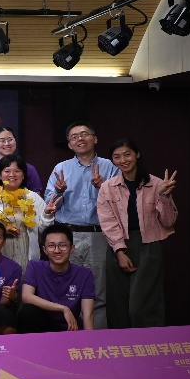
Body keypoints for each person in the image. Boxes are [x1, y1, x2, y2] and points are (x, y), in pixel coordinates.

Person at [98, 139, 178, 329]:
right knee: (118, 305)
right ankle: (121, 345)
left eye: (127, 154)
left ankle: (149, 344)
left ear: (137, 154)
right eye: (117, 157)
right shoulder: (107, 187)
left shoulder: (157, 184)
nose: (123, 160)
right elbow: (108, 222)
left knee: (141, 306)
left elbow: (169, 222)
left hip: (148, 246)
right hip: (118, 246)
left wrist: (164, 196)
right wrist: (119, 252)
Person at [45, 121, 118, 329]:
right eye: (74, 136)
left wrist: (102, 187)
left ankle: (97, 340)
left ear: (95, 139)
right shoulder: (61, 168)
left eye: (84, 134)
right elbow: (49, 204)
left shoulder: (110, 166)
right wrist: (59, 192)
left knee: (98, 292)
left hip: (99, 235)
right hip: (69, 236)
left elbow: (121, 202)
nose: (80, 139)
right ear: (69, 144)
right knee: (67, 291)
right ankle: (68, 341)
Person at [0, 154, 58, 268]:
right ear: (0, 175)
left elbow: (44, 229)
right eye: (7, 171)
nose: (12, 175)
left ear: (23, 175)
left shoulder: (33, 198)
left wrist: (47, 215)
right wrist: (1, 230)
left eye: (17, 171)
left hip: (25, 257)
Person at [17, 224, 97, 333]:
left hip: (70, 328)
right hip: (42, 328)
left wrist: (89, 339)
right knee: (28, 311)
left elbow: (88, 314)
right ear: (45, 249)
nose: (57, 250)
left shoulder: (84, 274)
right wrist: (63, 308)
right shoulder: (35, 266)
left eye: (62, 245)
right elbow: (26, 297)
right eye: (51, 246)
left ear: (72, 248)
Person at [0, 125, 44, 193]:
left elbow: (36, 195)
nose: (7, 143)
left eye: (10, 139)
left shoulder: (29, 169)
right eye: (2, 140)